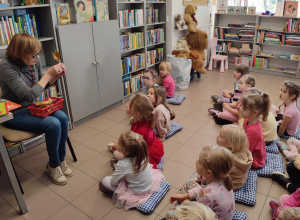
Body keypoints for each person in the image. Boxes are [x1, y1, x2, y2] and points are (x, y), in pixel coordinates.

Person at [0, 33, 71, 185]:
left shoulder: (34, 61)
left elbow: (39, 88)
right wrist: (48, 75)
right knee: (53, 124)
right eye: (33, 55)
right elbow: (28, 95)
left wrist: (55, 77)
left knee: (63, 117)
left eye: (38, 54)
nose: (37, 58)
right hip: (14, 114)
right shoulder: (5, 66)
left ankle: (60, 160)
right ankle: (53, 165)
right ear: (18, 54)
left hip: (33, 107)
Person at [99, 131, 165, 210]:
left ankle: (119, 193)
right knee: (126, 168)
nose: (117, 143)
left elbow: (113, 182)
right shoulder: (142, 154)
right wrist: (119, 148)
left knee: (104, 182)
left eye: (118, 144)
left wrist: (119, 169)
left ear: (124, 151)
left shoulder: (123, 164)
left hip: (136, 192)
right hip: (149, 184)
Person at [167, 146, 235, 220]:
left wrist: (184, 201)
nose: (196, 162)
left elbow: (196, 213)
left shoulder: (207, 195)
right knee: (191, 182)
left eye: (199, 162)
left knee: (170, 214)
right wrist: (186, 196)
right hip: (212, 211)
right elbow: (202, 189)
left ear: (208, 173)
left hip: (204, 215)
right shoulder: (223, 179)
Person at [239, 89, 270, 168]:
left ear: (255, 112)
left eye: (244, 108)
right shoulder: (248, 121)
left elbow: (246, 152)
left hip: (255, 160)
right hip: (248, 150)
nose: (240, 108)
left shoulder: (253, 130)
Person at [216, 124, 253, 191]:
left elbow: (217, 172)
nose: (217, 136)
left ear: (229, 144)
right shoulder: (243, 151)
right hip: (240, 182)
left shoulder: (226, 158)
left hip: (231, 185)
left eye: (221, 136)